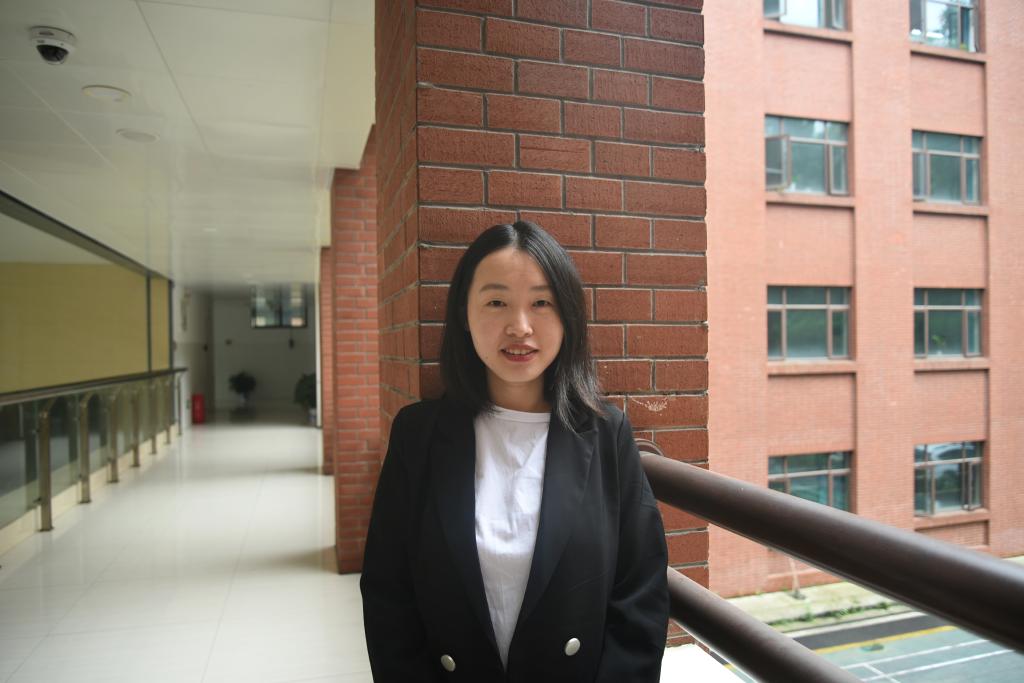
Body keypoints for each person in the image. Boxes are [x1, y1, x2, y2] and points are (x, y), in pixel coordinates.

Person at [360, 221, 669, 681]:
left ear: (568, 316)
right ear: (464, 315)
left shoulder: (607, 434)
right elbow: (388, 595)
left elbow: (641, 591)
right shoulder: (417, 435)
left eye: (541, 303)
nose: (520, 327)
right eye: (496, 302)